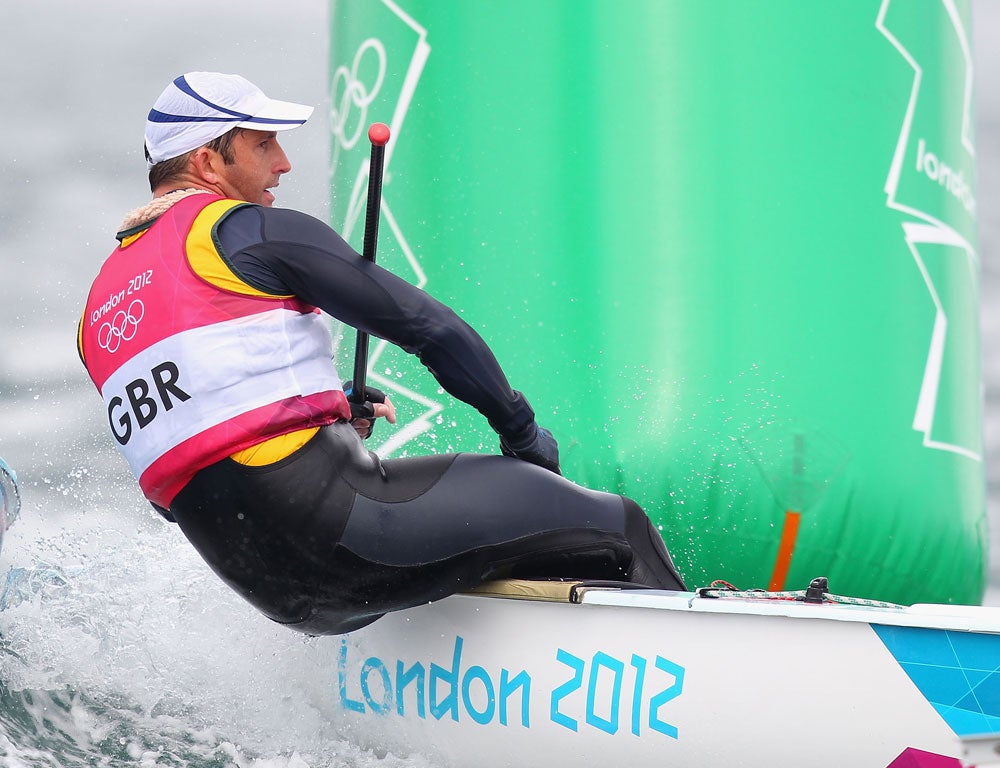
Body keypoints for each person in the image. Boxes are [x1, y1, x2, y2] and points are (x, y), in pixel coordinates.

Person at [77, 72, 685, 635]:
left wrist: (325, 413)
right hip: (351, 534)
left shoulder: (98, 311)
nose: (283, 163)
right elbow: (431, 329)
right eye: (263, 144)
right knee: (617, 526)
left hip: (278, 594)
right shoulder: (246, 232)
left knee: (513, 537)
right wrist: (524, 437)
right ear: (210, 159)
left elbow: (195, 468)